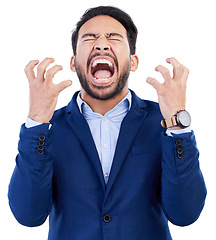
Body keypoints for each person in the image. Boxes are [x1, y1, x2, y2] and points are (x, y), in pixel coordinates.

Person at [8, 6, 207, 240]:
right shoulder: (50, 128)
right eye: (90, 37)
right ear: (74, 63)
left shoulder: (161, 122)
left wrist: (177, 124)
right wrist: (36, 122)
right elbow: (27, 215)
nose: (101, 44)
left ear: (133, 62)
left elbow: (185, 214)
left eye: (113, 37)